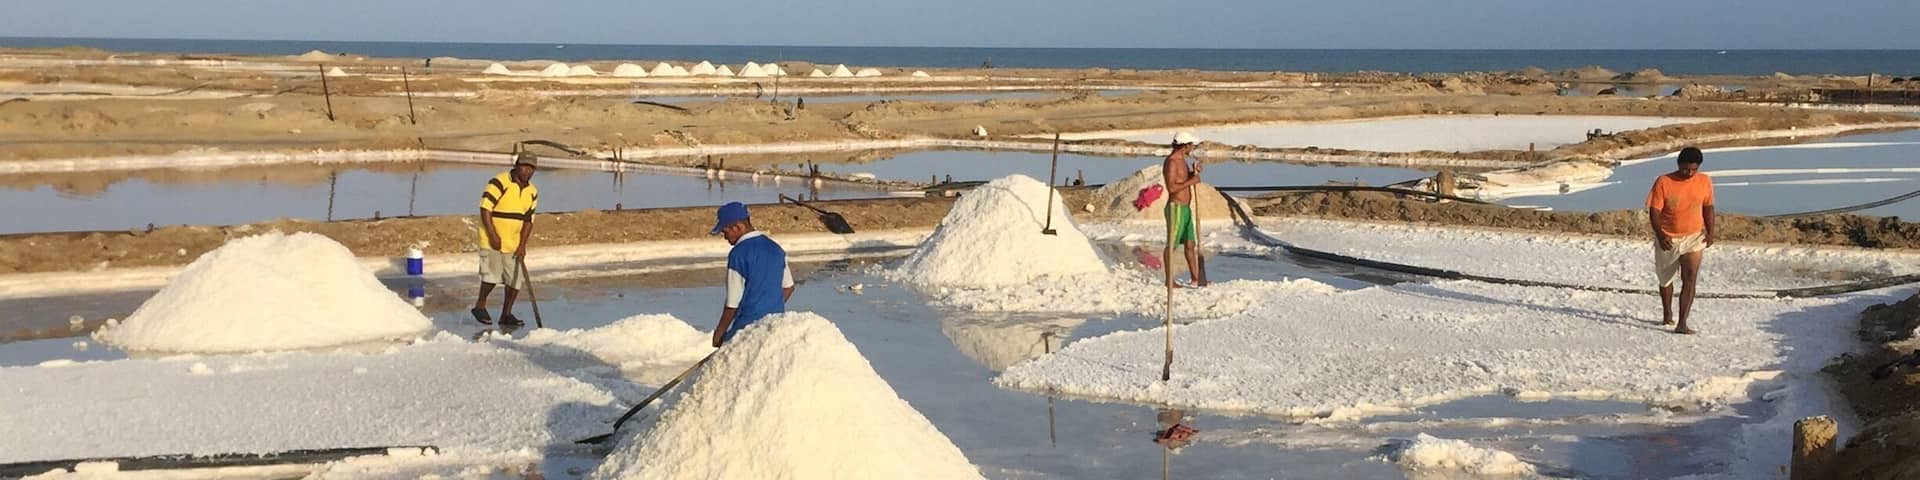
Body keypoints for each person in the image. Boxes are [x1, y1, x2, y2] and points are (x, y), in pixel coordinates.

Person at [1647, 147, 1715, 334]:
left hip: (1694, 236)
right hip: (1668, 237)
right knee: (1665, 279)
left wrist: (1711, 231)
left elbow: (1708, 207)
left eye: (1694, 169)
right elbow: (1654, 212)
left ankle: (1682, 322)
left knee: (1690, 277)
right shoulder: (1664, 182)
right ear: (1679, 165)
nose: (1690, 173)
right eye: (1686, 169)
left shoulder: (1705, 181)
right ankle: (1667, 313)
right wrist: (1661, 235)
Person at [709, 202, 795, 347]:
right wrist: (770, 306)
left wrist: (720, 331)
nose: (725, 237)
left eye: (725, 232)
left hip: (747, 327)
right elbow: (788, 287)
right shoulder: (776, 249)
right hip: (774, 325)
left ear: (738, 227)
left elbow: (733, 302)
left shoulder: (738, 254)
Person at [472, 152, 540, 326]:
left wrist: (522, 245)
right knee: (491, 276)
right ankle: (480, 305)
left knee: (514, 280)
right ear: (516, 165)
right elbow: (485, 209)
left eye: (531, 168)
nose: (526, 171)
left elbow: (528, 221)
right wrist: (493, 235)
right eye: (524, 166)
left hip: (513, 242)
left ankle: (506, 315)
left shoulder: (532, 192)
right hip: (491, 238)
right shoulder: (499, 182)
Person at [1162, 132, 1209, 287]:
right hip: (1176, 208)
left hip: (1186, 209)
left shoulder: (1183, 161)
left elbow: (1183, 179)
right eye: (1191, 145)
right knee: (1172, 245)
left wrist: (1193, 173)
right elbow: (1172, 187)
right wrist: (1192, 181)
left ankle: (1196, 278)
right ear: (1185, 145)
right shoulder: (1172, 162)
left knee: (1190, 244)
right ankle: (1169, 281)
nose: (1192, 148)